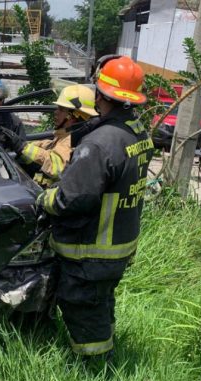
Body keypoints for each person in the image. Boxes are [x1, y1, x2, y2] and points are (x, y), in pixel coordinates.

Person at [37, 55, 154, 359]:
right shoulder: (138, 131)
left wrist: (43, 198)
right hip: (120, 243)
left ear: (100, 95)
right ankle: (106, 348)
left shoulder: (98, 144)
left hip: (92, 250)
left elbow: (70, 199)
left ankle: (95, 365)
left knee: (82, 306)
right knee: (101, 301)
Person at [2, 84, 99, 188]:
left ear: (73, 116)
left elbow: (57, 166)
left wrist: (23, 147)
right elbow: (49, 145)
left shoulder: (72, 140)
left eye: (61, 109)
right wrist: (23, 144)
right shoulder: (65, 136)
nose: (56, 112)